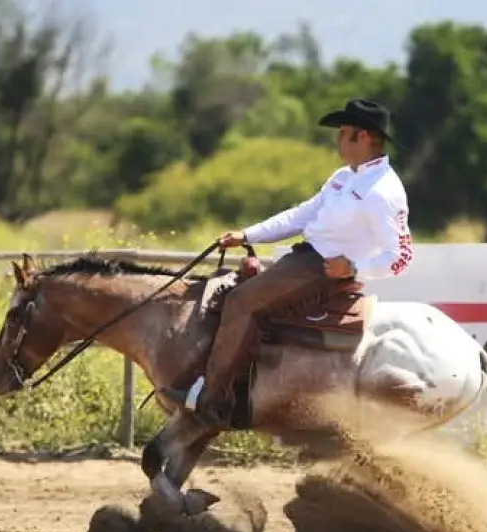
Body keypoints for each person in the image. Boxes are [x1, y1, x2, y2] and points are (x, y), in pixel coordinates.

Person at [171, 98, 414, 426]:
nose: (337, 139)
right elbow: (303, 214)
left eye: (344, 132)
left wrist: (354, 268)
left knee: (241, 301)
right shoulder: (344, 176)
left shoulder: (384, 191)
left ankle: (212, 400)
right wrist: (248, 235)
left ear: (365, 137)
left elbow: (401, 257)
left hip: (323, 270)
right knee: (232, 290)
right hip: (304, 258)